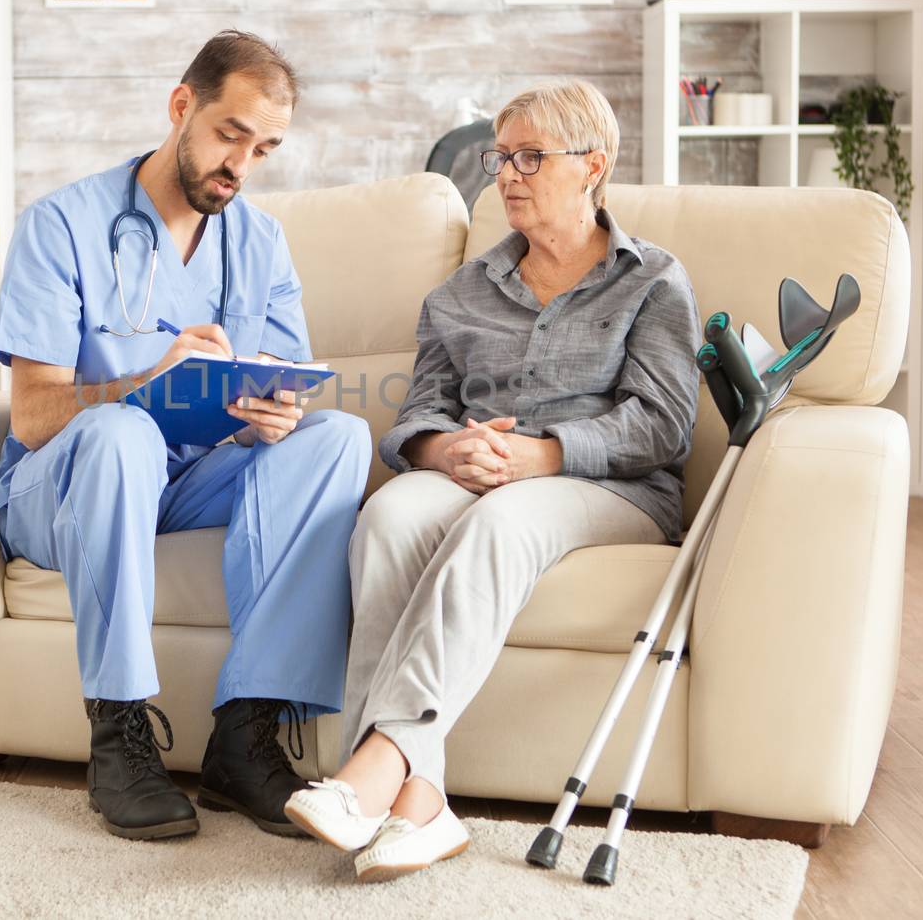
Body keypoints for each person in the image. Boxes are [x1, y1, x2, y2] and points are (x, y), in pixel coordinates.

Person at [285, 81, 701, 881]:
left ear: (593, 166)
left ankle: (369, 770)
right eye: (500, 157)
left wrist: (542, 456)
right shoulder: (460, 292)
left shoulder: (652, 280)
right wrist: (446, 452)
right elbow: (417, 415)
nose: (507, 174)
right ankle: (420, 801)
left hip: (610, 490)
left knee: (499, 522)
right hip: (480, 474)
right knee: (389, 517)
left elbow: (662, 425)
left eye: (530, 157)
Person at [0, 30, 371, 842]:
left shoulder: (258, 242)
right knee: (121, 433)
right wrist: (143, 383)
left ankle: (245, 735)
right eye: (230, 134)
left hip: (185, 482)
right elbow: (32, 414)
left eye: (263, 148)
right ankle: (118, 731)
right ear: (181, 106)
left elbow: (282, 377)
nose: (241, 164)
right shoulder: (62, 225)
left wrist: (276, 417)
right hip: (63, 486)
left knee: (337, 438)